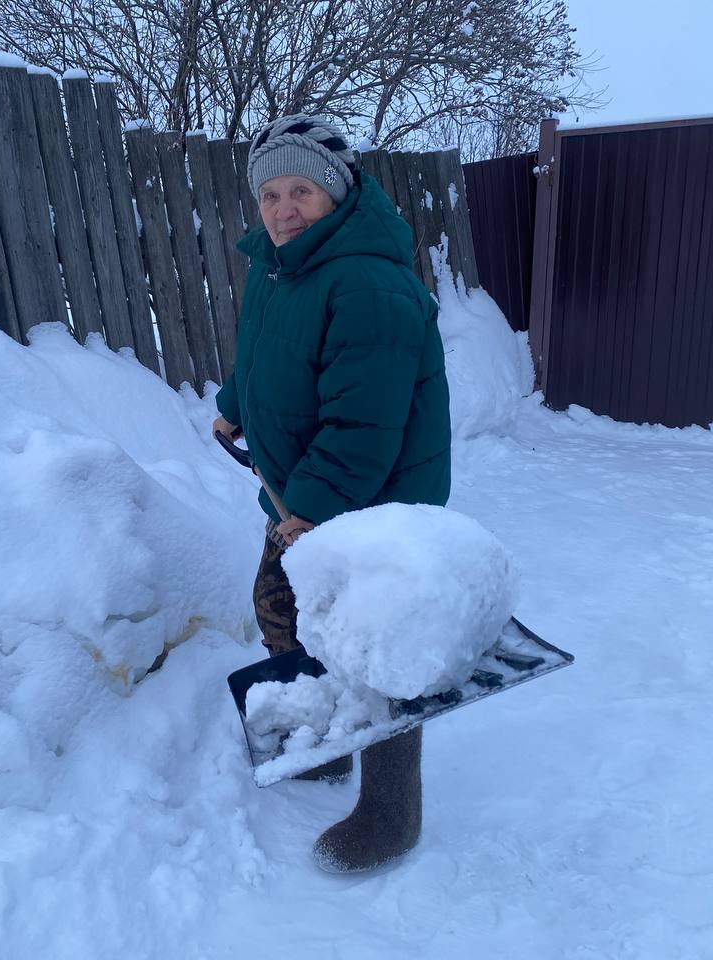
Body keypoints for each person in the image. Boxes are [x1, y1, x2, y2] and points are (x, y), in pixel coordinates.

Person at [212, 114, 452, 873]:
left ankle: (392, 809)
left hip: (370, 502)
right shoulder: (284, 266)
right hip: (302, 497)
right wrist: (235, 403)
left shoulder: (369, 283)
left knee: (376, 649)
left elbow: (363, 424)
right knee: (279, 609)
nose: (283, 208)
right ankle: (327, 739)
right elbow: (267, 357)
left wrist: (309, 510)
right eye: (271, 193)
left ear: (337, 194)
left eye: (302, 191)